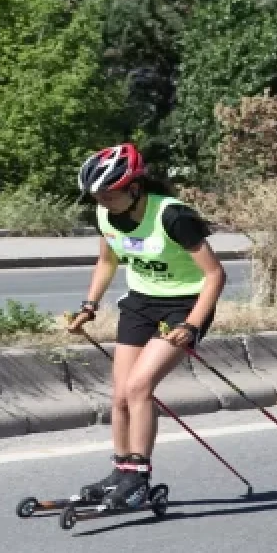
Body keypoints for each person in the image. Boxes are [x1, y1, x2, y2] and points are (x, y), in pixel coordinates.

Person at [67, 142, 227, 509]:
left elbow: (215, 276)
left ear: (135, 187)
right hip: (140, 303)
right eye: (96, 195)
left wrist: (191, 324)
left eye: (109, 193)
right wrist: (89, 306)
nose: (102, 201)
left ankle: (138, 476)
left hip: (185, 305)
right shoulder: (106, 215)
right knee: (120, 394)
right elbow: (107, 262)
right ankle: (120, 472)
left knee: (140, 387)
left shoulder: (173, 216)